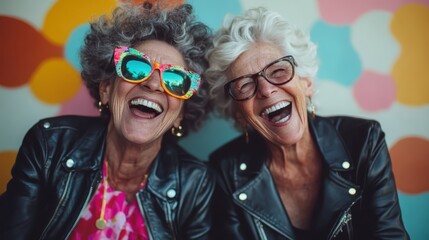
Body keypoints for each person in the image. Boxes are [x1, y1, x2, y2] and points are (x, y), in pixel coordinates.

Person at [0, 3, 214, 239]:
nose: (153, 84)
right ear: (106, 90)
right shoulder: (50, 144)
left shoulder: (196, 184)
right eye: (136, 68)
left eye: (175, 80)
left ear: (180, 115)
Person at [205, 7, 409, 240]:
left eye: (278, 70)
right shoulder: (224, 171)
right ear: (238, 114)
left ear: (306, 84)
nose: (266, 89)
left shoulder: (364, 141)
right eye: (245, 85)